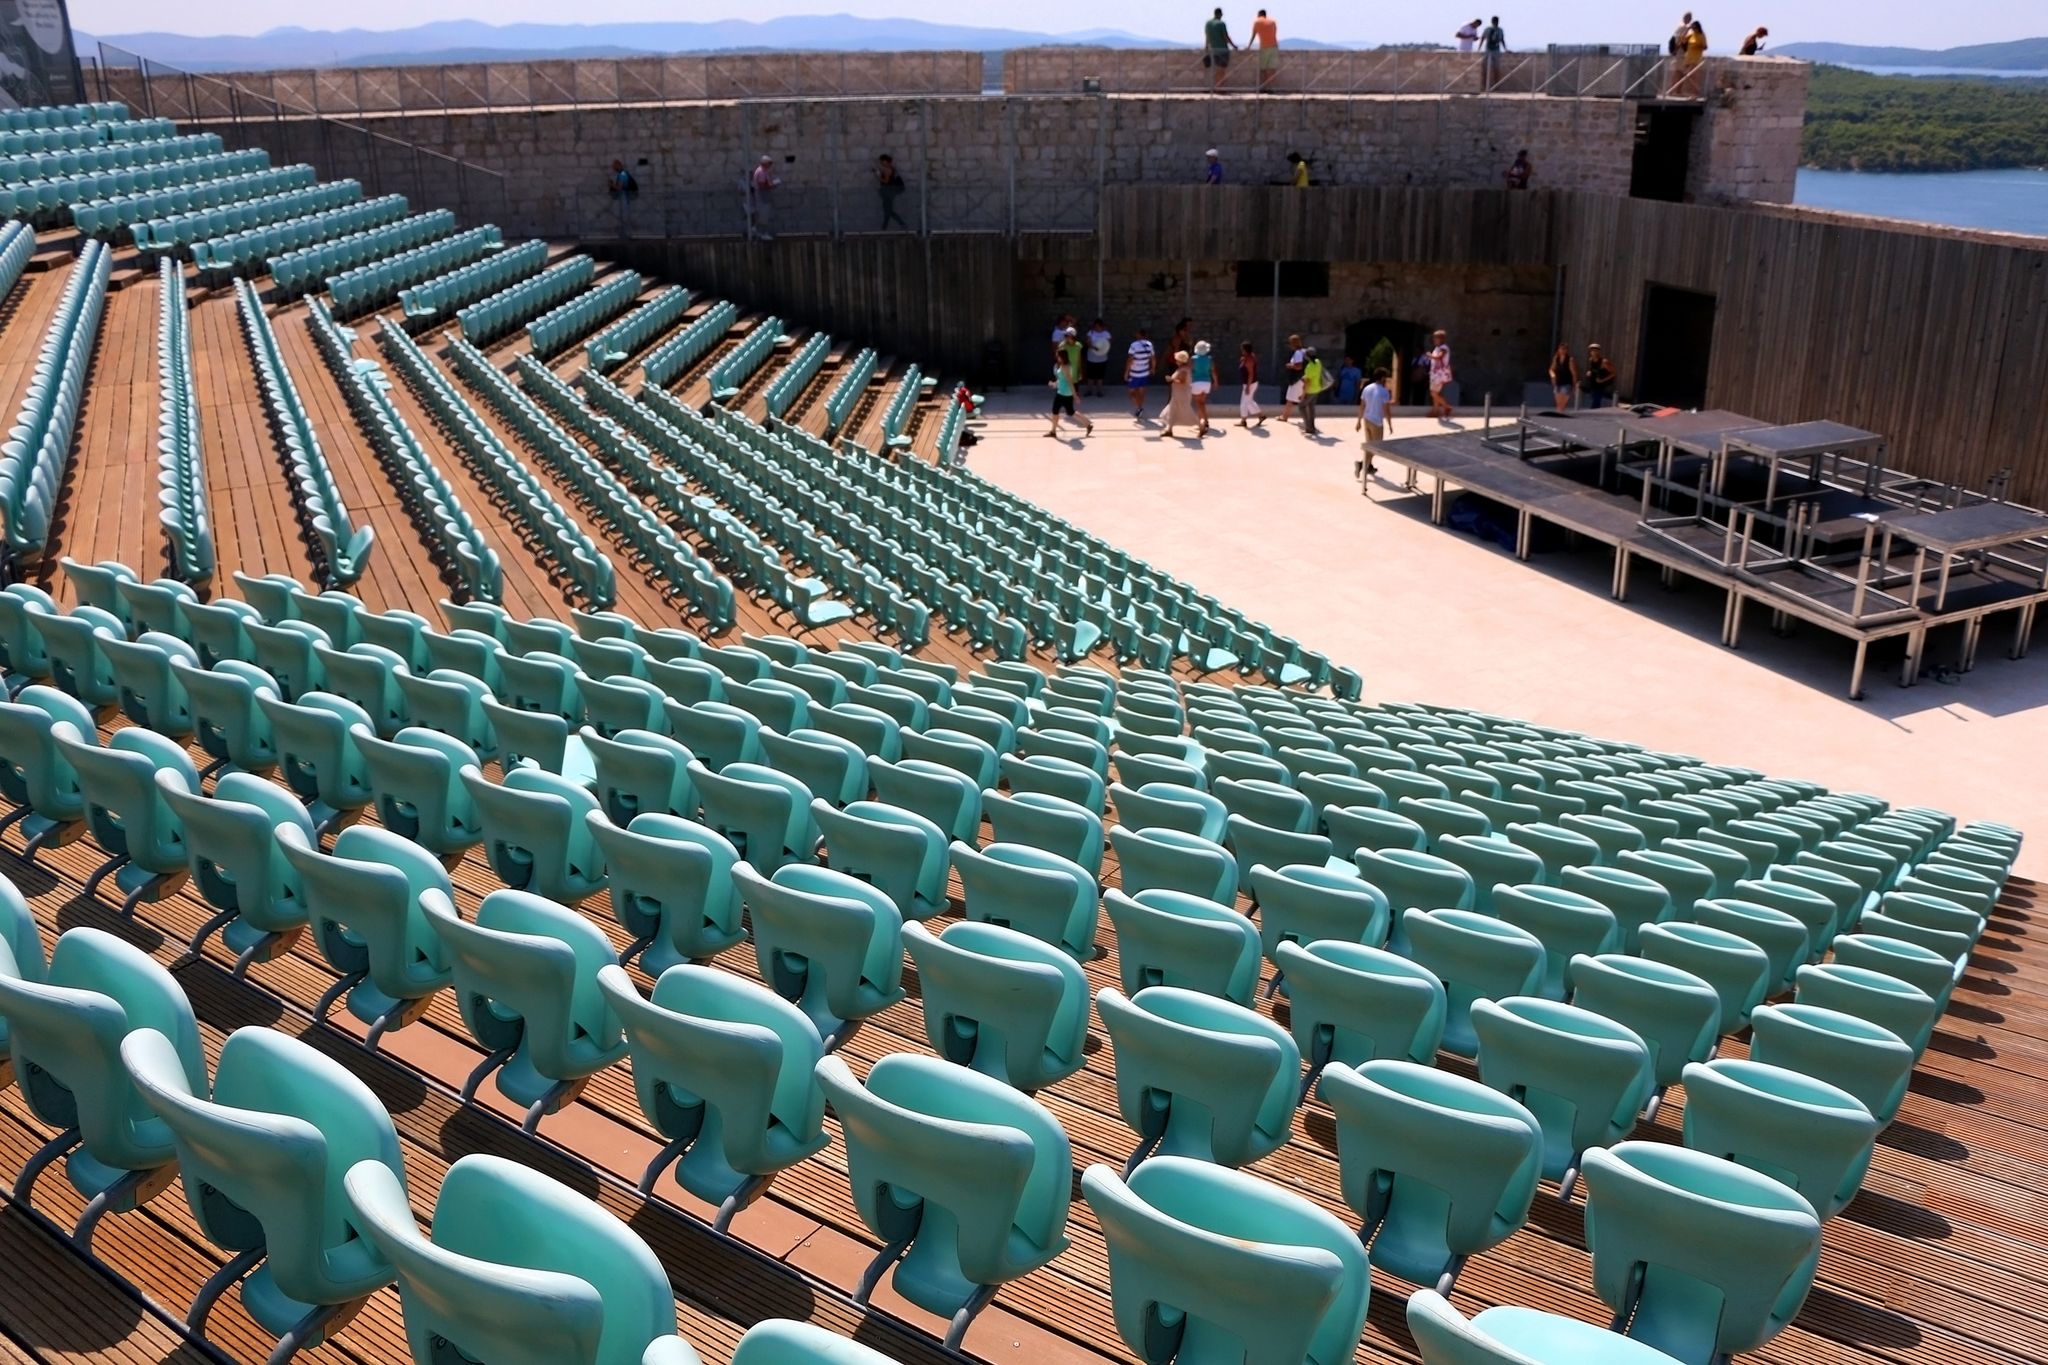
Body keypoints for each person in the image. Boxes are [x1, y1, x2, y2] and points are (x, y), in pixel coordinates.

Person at [1356, 367, 1393, 484]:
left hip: (1367, 420)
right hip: (1377, 422)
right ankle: (1362, 464)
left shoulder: (1367, 388)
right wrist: (1390, 424)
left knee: (1370, 446)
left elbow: (1362, 405)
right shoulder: (1384, 391)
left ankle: (1368, 466)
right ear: (1382, 378)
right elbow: (1387, 410)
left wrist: (1358, 421)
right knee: (1375, 448)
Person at [1048, 346, 1094, 439]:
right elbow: (1061, 379)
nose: (1057, 357)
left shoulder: (1065, 367)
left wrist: (1075, 395)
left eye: (1058, 356)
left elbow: (1070, 381)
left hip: (1063, 393)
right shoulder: (1063, 365)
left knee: (1056, 411)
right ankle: (1088, 424)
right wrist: (1054, 384)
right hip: (1063, 392)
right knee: (1070, 412)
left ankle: (1053, 431)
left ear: (1062, 356)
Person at [1161, 351, 1199, 438]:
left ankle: (1200, 426)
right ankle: (1169, 429)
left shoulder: (1183, 370)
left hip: (1181, 394)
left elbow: (1182, 381)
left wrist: (1171, 379)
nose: (1176, 361)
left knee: (1185, 410)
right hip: (1178, 394)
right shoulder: (1183, 368)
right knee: (1172, 410)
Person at [1203, 8, 1238, 93]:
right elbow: (1226, 37)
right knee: (1221, 70)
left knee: (1217, 69)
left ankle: (1216, 87)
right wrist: (1234, 46)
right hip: (1222, 49)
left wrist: (1206, 46)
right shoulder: (1221, 24)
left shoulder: (1208, 24)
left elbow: (1207, 36)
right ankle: (1219, 88)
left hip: (1213, 50)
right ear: (1220, 14)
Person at [1124, 327, 1157, 416]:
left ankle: (1139, 407)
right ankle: (1140, 407)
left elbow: (1130, 359)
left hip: (1135, 372)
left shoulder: (1134, 345)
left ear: (1139, 334)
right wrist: (1153, 368)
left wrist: (1126, 372)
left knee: (1131, 392)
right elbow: (1153, 358)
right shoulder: (1149, 344)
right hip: (1145, 372)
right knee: (1142, 392)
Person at [748, 155, 780, 240]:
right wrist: (773, 184)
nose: (770, 165)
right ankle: (762, 234)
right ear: (765, 163)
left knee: (761, 216)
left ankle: (757, 232)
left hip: (761, 197)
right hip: (763, 198)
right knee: (763, 217)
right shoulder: (762, 172)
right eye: (769, 163)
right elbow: (762, 185)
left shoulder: (761, 171)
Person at [1189, 340, 1217, 437]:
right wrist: (1216, 382)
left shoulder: (1193, 359)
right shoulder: (1209, 359)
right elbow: (1213, 371)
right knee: (1202, 403)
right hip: (1207, 382)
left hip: (1196, 382)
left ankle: (1203, 422)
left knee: (1199, 404)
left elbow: (1189, 370)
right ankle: (1204, 421)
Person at [1427, 329, 1454, 422]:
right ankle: (1436, 411)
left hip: (1439, 374)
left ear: (1440, 339)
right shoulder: (1438, 348)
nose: (1434, 339)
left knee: (1433, 393)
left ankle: (1446, 406)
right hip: (1435, 374)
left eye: (1436, 338)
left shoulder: (1443, 348)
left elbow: (1439, 357)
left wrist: (1430, 356)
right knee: (1435, 393)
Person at [1299, 347, 1327, 436]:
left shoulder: (1309, 367)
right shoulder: (1318, 362)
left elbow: (1307, 383)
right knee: (1311, 407)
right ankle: (1312, 427)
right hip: (1317, 388)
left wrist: (1302, 395)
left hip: (1310, 390)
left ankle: (1308, 427)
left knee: (1302, 406)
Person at [876, 154, 909, 230]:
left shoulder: (887, 169)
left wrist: (878, 176)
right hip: (890, 192)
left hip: (888, 192)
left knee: (888, 210)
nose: (880, 162)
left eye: (881, 161)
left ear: (885, 161)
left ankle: (902, 224)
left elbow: (886, 181)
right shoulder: (891, 168)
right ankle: (884, 227)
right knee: (887, 210)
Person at [1250, 9, 1280, 92]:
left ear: (1259, 15)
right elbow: (1274, 34)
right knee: (1272, 69)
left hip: (1264, 47)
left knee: (1263, 69)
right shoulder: (1273, 22)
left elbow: (1253, 35)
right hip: (1273, 46)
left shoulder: (1257, 22)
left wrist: (1249, 46)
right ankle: (1271, 88)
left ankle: (1263, 87)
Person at [1237, 340, 1265, 426]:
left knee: (1244, 402)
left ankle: (1243, 421)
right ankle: (1261, 416)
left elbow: (1251, 373)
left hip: (1250, 383)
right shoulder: (1247, 357)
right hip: (1250, 383)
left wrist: (1248, 387)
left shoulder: (1249, 359)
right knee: (1249, 401)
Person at [1581, 343, 1617, 408]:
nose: (1593, 352)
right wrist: (1589, 372)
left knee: (1595, 402)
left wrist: (1602, 380)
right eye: (1592, 350)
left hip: (1601, 385)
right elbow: (1592, 369)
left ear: (1598, 351)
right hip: (1593, 384)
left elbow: (1613, 373)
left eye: (1595, 350)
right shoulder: (1591, 360)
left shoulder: (1604, 362)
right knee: (1593, 400)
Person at [1279, 333, 1306, 422]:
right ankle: (1285, 416)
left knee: (1290, 398)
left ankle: (1285, 417)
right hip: (1301, 379)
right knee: (1298, 398)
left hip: (1296, 379)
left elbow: (1299, 366)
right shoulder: (1303, 351)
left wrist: (1290, 366)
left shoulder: (1298, 353)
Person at [1083, 318, 1113, 397]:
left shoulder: (1106, 334)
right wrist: (1093, 347)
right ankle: (1089, 390)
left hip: (1102, 358)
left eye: (1098, 326)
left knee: (1100, 376)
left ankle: (1099, 391)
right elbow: (1088, 342)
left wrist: (1101, 349)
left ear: (1102, 326)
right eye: (1095, 326)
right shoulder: (1091, 333)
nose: (1096, 328)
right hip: (1091, 358)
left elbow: (1108, 345)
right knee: (1090, 376)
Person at [1680, 19, 1708, 95]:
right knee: (1686, 75)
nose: (1693, 29)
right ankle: (1689, 92)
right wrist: (1687, 30)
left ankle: (1695, 93)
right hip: (1688, 57)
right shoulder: (1691, 35)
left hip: (1695, 58)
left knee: (1693, 76)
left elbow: (1705, 46)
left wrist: (1698, 45)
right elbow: (1682, 40)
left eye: (1694, 27)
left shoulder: (1701, 35)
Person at [1548, 342, 1578, 410]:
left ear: (1567, 350)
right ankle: (1560, 414)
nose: (1563, 350)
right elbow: (1551, 369)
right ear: (1558, 349)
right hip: (1558, 382)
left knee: (1562, 403)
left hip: (1566, 383)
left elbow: (1574, 373)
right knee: (1558, 403)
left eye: (1564, 349)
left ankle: (1560, 413)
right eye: (1561, 349)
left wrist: (1575, 384)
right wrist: (1553, 376)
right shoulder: (1556, 358)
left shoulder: (1570, 360)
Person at [1480, 16, 1507, 90]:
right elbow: (1483, 38)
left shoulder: (1499, 30)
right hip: (1489, 50)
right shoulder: (1489, 29)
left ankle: (1496, 86)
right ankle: (1484, 86)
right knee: (1486, 69)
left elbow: (1501, 39)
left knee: (1496, 69)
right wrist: (1479, 48)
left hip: (1494, 50)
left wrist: (1505, 49)